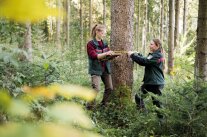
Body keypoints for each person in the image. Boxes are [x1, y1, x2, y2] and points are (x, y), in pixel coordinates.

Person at [128, 39, 165, 115]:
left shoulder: (158, 55)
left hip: (155, 83)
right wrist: (138, 54)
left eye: (151, 44)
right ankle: (143, 115)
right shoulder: (154, 54)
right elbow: (146, 59)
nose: (149, 45)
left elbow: (144, 62)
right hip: (150, 82)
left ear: (157, 45)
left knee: (157, 104)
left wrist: (132, 55)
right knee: (138, 97)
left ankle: (161, 122)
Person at [86, 24, 115, 109]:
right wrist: (106, 54)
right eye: (103, 33)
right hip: (96, 69)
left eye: (105, 33)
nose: (104, 34)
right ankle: (89, 107)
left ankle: (103, 105)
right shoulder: (90, 44)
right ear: (97, 32)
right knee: (96, 89)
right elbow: (94, 56)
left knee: (110, 88)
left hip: (106, 69)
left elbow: (108, 53)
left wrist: (112, 54)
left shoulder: (105, 43)